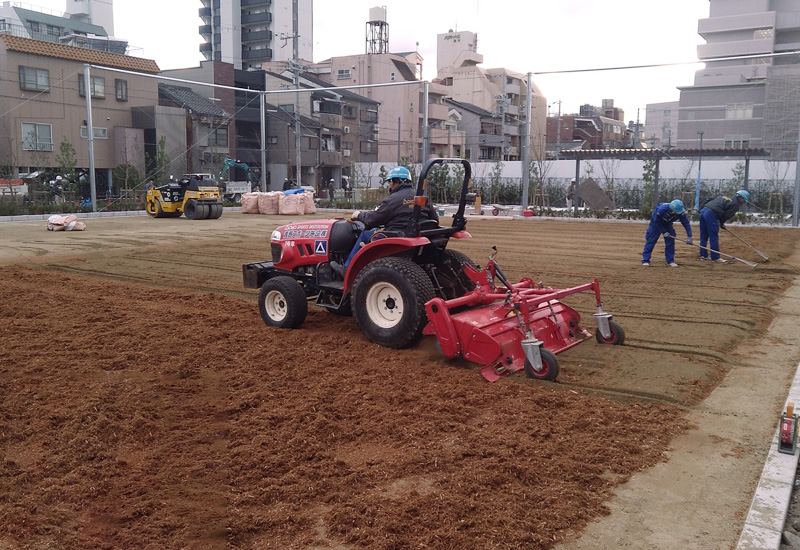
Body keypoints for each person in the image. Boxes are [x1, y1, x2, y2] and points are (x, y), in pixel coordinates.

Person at [330, 166, 439, 277]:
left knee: (364, 235)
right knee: (374, 231)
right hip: (419, 237)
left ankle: (347, 269)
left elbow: (373, 219)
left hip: (398, 237)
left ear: (396, 181)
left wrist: (359, 215)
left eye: (390, 182)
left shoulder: (392, 199)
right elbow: (435, 219)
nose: (389, 186)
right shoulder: (422, 198)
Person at [699, 190, 749, 263]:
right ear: (741, 197)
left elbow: (709, 199)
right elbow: (727, 215)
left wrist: (701, 209)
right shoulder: (736, 204)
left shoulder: (727, 196)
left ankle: (703, 255)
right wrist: (722, 223)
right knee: (713, 236)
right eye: (744, 200)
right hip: (711, 214)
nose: (743, 203)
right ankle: (715, 257)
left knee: (704, 235)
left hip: (703, 211)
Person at [641, 199, 692, 267]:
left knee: (670, 241)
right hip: (656, 223)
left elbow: (686, 223)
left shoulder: (681, 213)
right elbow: (657, 222)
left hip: (668, 223)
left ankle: (670, 261)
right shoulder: (662, 210)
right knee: (651, 240)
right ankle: (645, 260)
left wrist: (689, 236)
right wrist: (664, 232)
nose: (678, 214)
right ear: (672, 209)